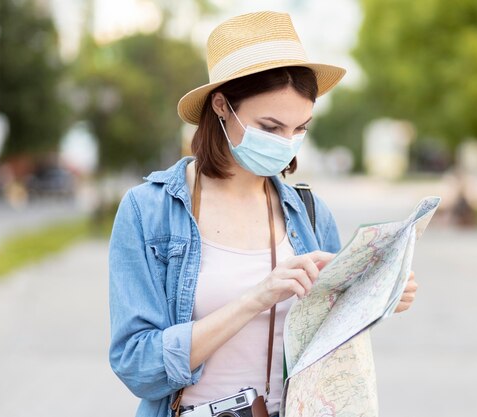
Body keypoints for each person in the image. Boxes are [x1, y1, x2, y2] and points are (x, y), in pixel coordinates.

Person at [108, 11, 418, 417]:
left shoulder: (308, 211)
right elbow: (137, 366)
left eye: (300, 128)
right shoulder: (148, 211)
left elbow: (329, 338)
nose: (287, 144)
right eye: (270, 128)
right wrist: (257, 297)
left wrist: (377, 294)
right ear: (221, 106)